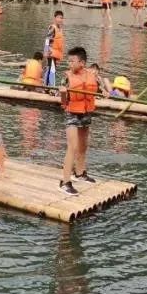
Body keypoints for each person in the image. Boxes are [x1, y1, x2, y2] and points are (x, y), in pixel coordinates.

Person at [59, 47, 98, 196]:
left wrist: (106, 92)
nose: (69, 64)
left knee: (83, 146)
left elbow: (99, 89)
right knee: (72, 147)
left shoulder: (92, 75)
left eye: (72, 61)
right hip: (72, 113)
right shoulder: (67, 77)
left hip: (86, 112)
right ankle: (65, 182)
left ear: (82, 63)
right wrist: (63, 94)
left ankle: (80, 173)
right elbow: (62, 101)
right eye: (68, 61)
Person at [43, 11, 65, 89]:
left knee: (53, 69)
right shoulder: (53, 27)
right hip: (51, 52)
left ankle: (49, 87)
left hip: (56, 53)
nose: (60, 19)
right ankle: (47, 87)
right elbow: (47, 39)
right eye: (59, 17)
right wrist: (46, 51)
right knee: (50, 69)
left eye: (61, 18)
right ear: (55, 18)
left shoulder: (60, 29)